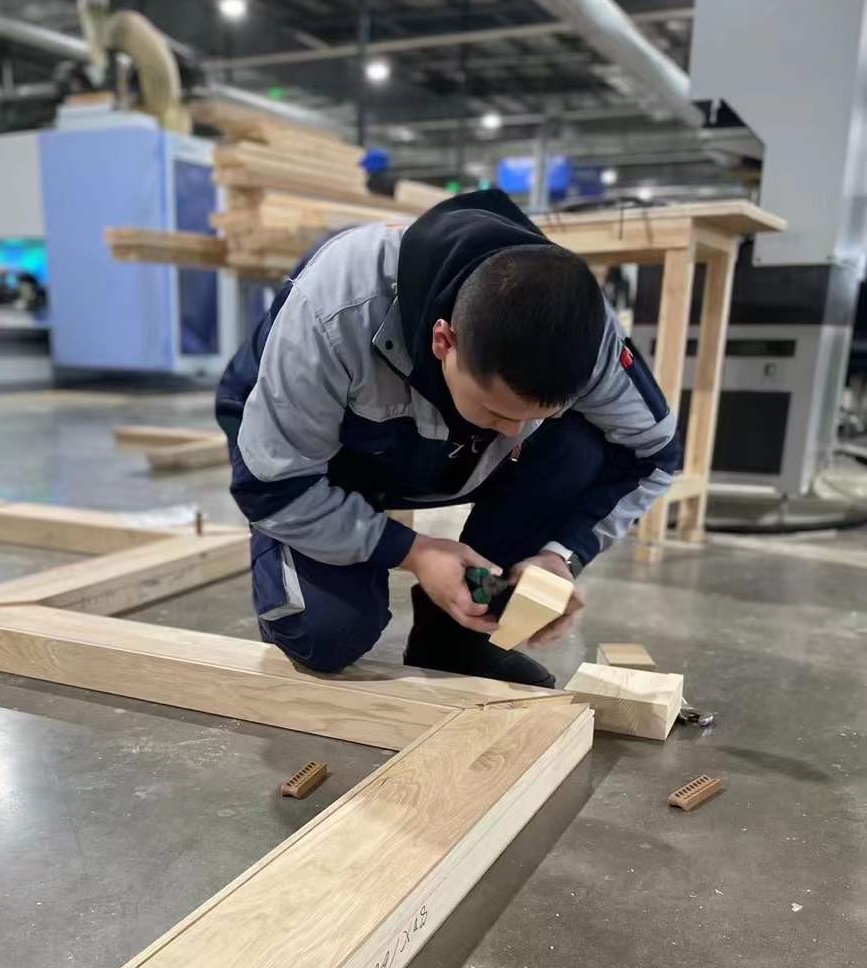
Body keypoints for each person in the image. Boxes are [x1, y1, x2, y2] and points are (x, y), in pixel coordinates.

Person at [215, 189, 678, 687]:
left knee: (583, 447)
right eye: (498, 410)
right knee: (328, 633)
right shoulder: (338, 308)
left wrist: (560, 554)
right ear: (444, 340)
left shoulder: (588, 335)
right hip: (320, 458)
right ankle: (293, 579)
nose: (516, 434)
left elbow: (654, 455)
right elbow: (272, 486)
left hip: (440, 453)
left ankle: (454, 639)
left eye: (534, 418)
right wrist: (414, 552)